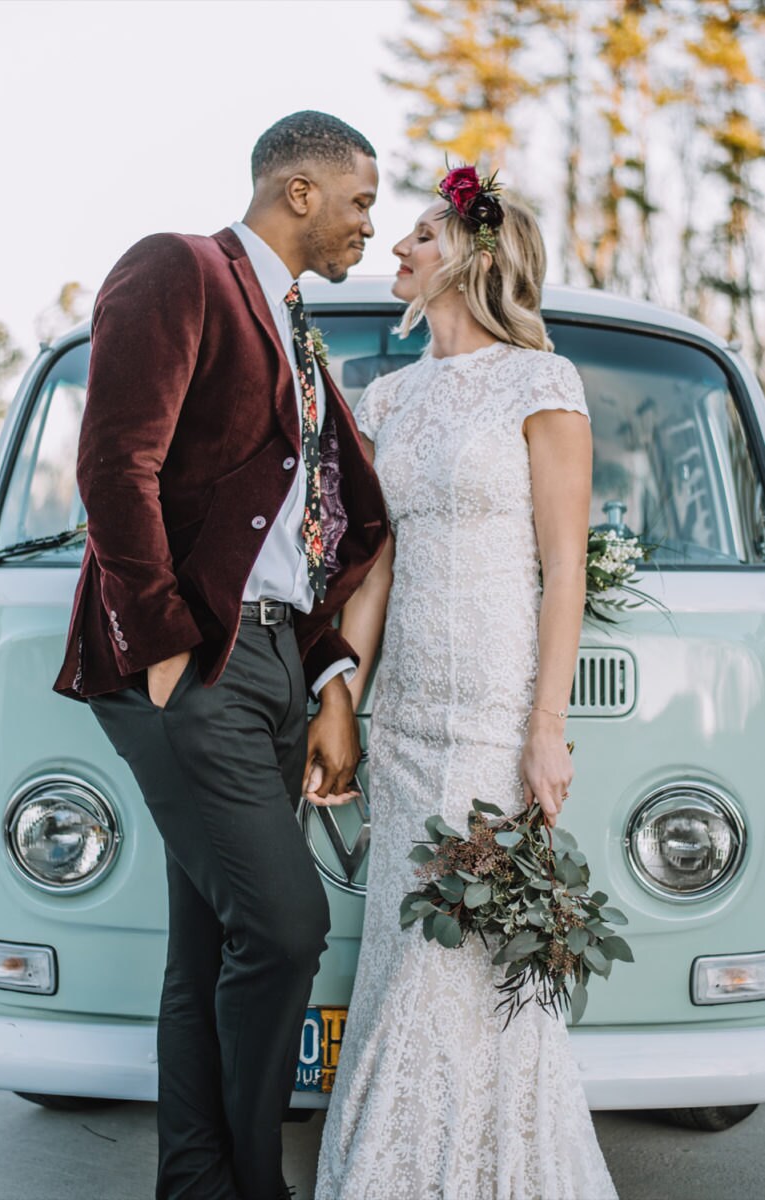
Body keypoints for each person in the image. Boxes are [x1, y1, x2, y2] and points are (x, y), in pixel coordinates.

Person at [53, 111, 388, 1200]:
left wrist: (328, 667)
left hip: (276, 666)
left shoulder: (298, 328)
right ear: (299, 191)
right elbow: (115, 463)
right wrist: (163, 647)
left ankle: (196, 1185)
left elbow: (308, 533)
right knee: (288, 926)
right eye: (358, 202)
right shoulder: (179, 268)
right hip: (196, 664)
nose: (368, 229)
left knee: (211, 948)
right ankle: (255, 1184)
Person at [314, 168, 618, 1199]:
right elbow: (377, 565)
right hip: (402, 721)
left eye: (419, 238)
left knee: (466, 963)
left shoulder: (544, 383)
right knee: (404, 958)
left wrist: (547, 728)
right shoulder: (388, 395)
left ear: (474, 259)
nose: (396, 252)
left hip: (494, 711)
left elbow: (563, 566)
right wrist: (342, 691)